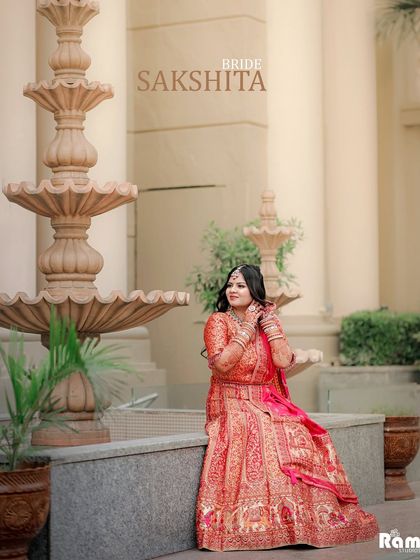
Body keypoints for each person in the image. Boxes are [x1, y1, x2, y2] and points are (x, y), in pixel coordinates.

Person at [196, 264, 379, 551]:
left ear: (255, 291)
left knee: (300, 432)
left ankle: (303, 519)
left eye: (241, 285)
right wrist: (246, 328)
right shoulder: (219, 321)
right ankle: (258, 522)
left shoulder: (265, 322)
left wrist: (269, 325)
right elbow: (222, 364)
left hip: (264, 399)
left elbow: (282, 361)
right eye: (230, 284)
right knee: (261, 432)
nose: (233, 290)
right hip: (231, 399)